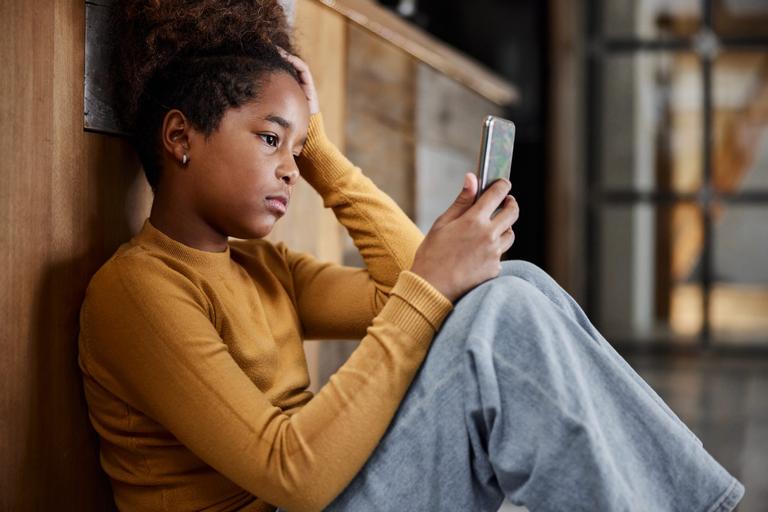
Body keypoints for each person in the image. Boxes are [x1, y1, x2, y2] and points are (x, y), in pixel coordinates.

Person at [78, 1, 744, 511]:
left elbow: (418, 290)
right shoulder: (137, 289)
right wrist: (432, 278)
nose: (289, 168)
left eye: (296, 149)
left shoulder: (263, 268)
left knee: (512, 286)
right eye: (270, 139)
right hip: (300, 496)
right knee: (506, 306)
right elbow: (293, 474)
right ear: (179, 137)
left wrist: (323, 154)